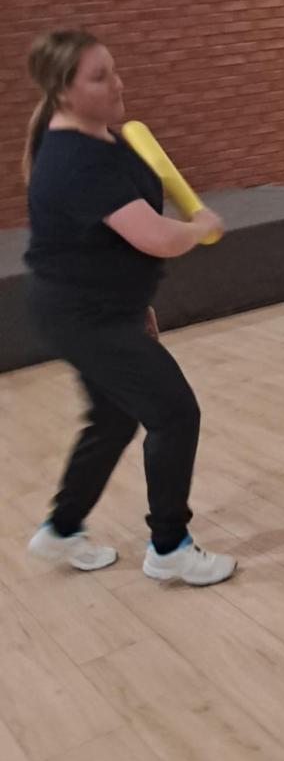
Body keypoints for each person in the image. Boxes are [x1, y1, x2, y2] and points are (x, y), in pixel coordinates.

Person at [22, 29, 236, 586]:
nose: (118, 84)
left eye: (114, 70)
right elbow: (156, 237)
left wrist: (136, 301)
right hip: (81, 314)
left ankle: (61, 530)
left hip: (94, 307)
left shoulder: (99, 139)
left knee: (115, 417)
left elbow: (101, 242)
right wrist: (199, 226)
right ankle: (169, 546)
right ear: (64, 92)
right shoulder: (76, 158)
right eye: (100, 77)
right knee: (175, 413)